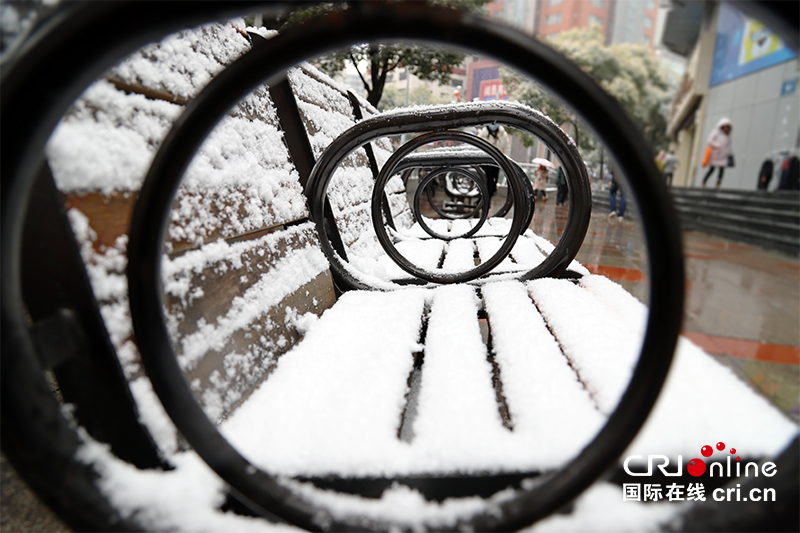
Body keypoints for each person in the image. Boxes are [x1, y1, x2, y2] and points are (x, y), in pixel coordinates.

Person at [477, 124, 511, 199]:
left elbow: (506, 148)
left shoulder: (502, 134)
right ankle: (484, 201)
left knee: (493, 185)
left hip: (496, 163)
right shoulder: (483, 133)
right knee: (485, 183)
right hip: (484, 163)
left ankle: (486, 201)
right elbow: (478, 146)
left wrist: (504, 161)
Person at [701, 118, 733, 189]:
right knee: (712, 170)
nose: (726, 129)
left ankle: (718, 184)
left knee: (721, 171)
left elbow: (728, 145)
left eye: (728, 127)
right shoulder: (716, 132)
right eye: (725, 127)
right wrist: (718, 146)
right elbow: (710, 141)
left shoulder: (728, 136)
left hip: (723, 156)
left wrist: (728, 152)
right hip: (715, 155)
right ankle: (704, 181)